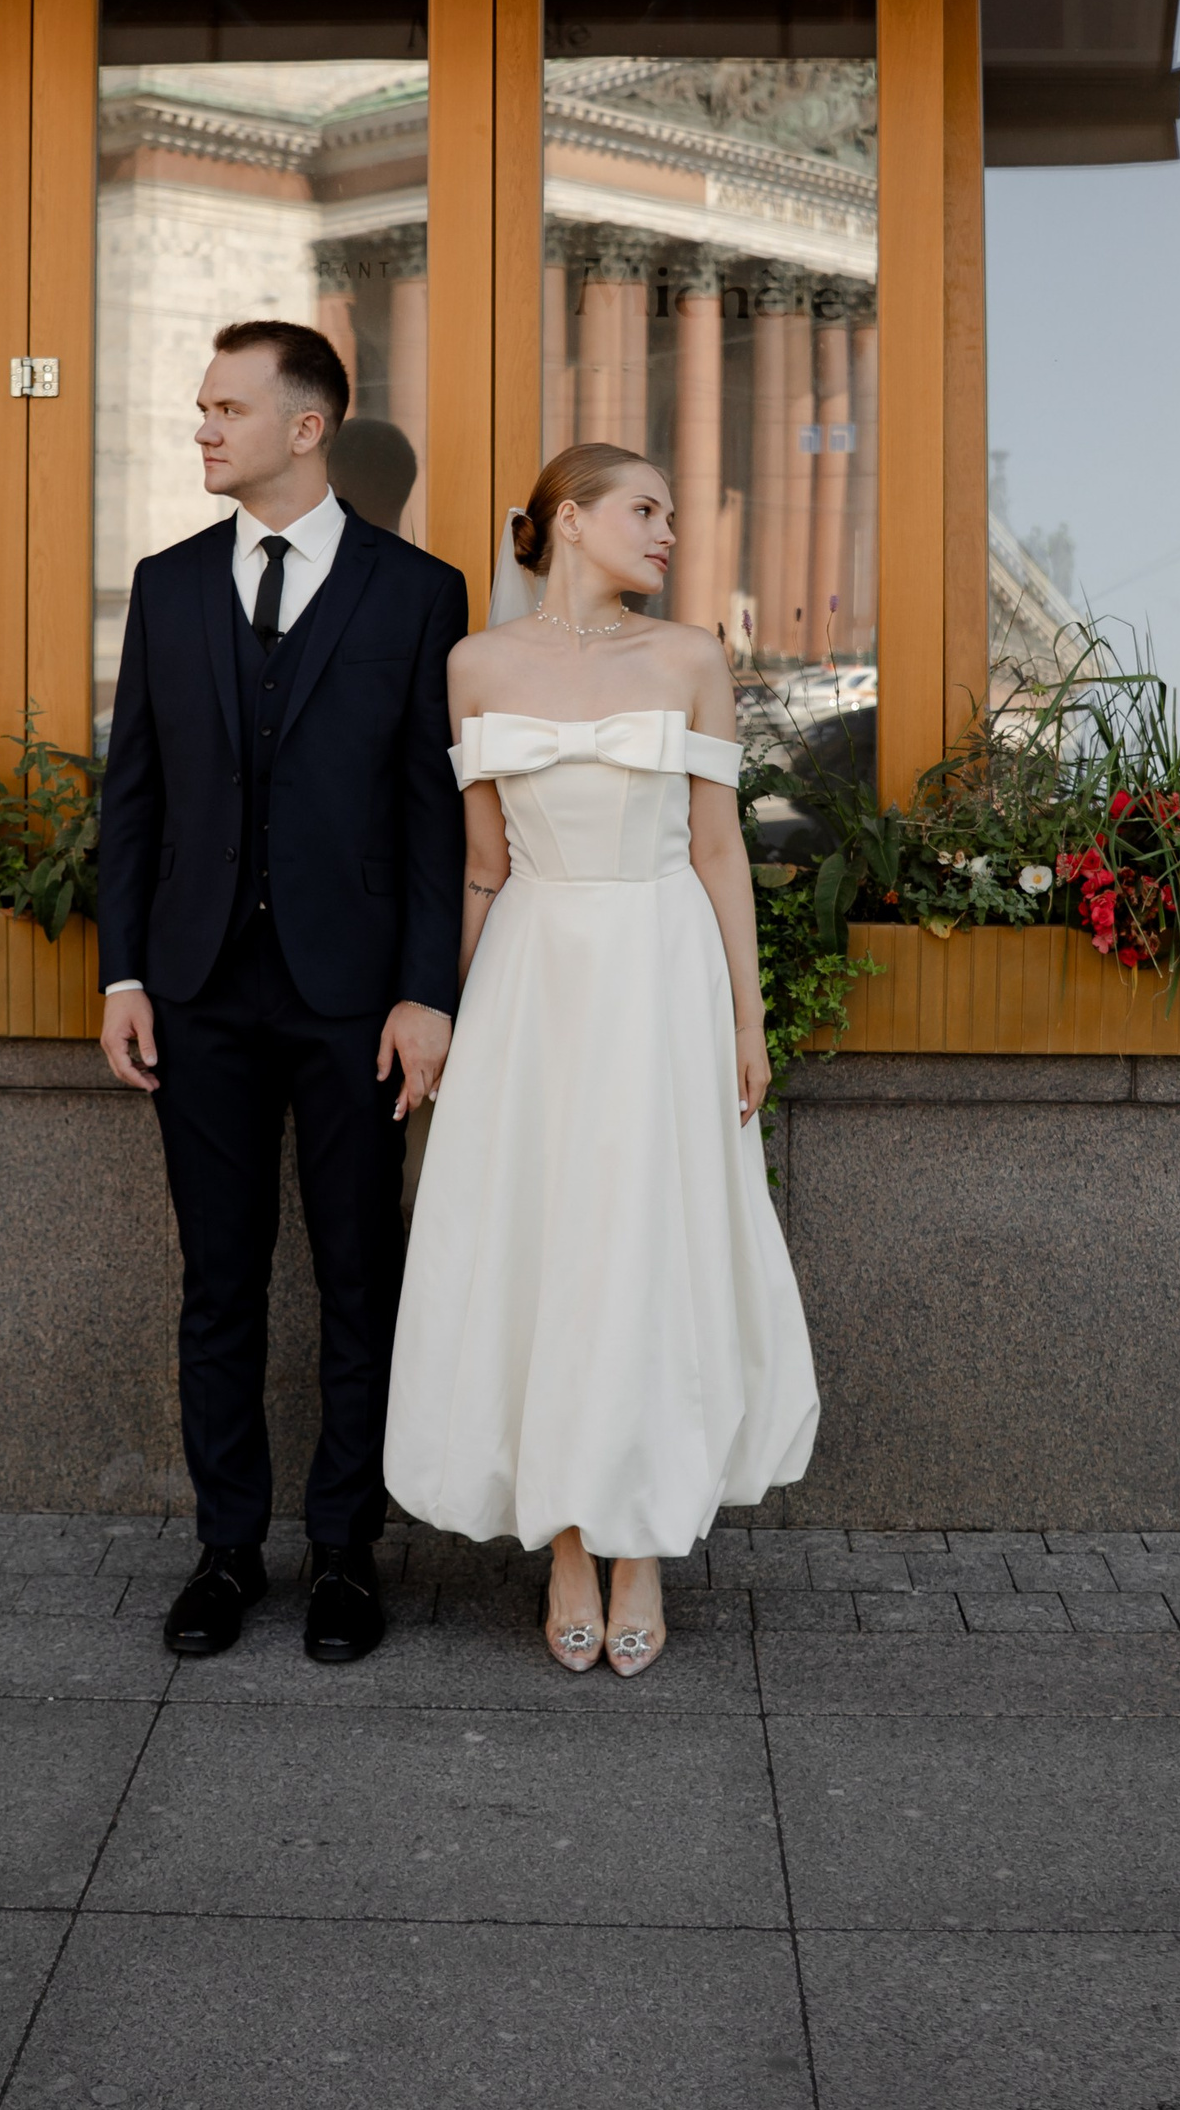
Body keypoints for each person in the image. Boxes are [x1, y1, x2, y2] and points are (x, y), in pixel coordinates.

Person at [383, 442, 819, 1677]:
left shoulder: (688, 657)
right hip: (531, 976)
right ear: (568, 520)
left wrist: (746, 1021)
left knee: (644, 1250)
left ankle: (642, 1546)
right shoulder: (475, 663)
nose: (668, 529)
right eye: (645, 508)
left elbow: (719, 849)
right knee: (546, 1249)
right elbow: (483, 862)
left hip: (660, 971)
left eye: (671, 511)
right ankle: (567, 1541)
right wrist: (448, 1010)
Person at [98, 320, 467, 1665]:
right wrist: (124, 969)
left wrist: (426, 992)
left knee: (363, 1274)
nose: (202, 427)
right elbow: (133, 795)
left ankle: (348, 1553)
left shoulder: (419, 593)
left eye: (227, 408)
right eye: (202, 407)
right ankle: (227, 1548)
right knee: (219, 1278)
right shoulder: (167, 584)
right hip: (195, 990)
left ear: (306, 428)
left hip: (355, 999)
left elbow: (433, 816)